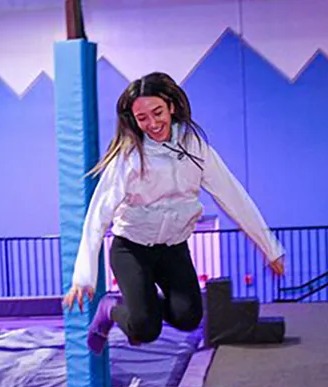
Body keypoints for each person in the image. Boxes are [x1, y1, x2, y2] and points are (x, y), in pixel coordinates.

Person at [63, 72, 285, 354]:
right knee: (145, 328)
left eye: (157, 112)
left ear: (171, 105)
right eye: (142, 118)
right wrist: (83, 277)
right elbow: (97, 216)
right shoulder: (129, 156)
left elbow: (233, 195)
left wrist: (270, 247)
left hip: (173, 249)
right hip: (132, 249)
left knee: (189, 317)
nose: (153, 124)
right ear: (133, 119)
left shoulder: (194, 146)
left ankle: (142, 307)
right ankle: (111, 309)